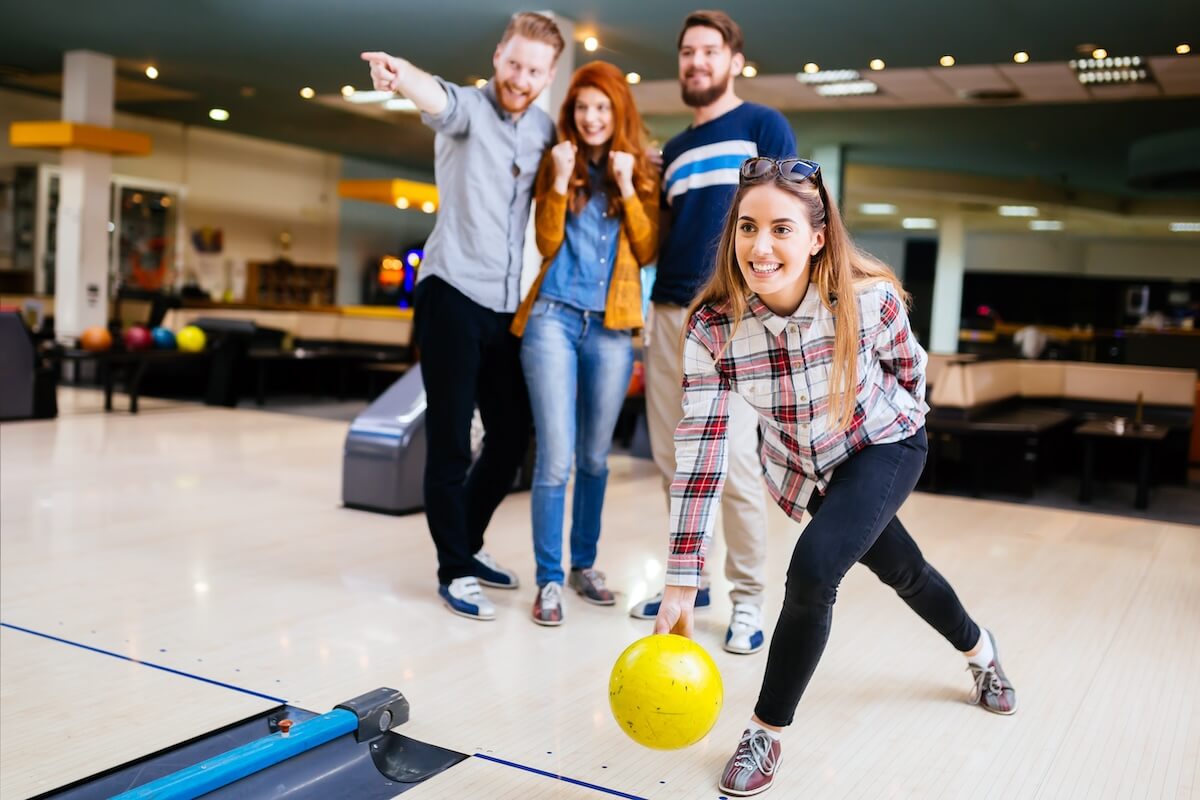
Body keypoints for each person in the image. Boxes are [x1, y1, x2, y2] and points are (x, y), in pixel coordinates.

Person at [652, 157, 1017, 796]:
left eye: (782, 229)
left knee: (814, 569)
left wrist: (892, 435)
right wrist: (682, 580)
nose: (760, 247)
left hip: (885, 443)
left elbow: (910, 372)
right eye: (747, 227)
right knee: (905, 570)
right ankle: (982, 650)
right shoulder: (714, 327)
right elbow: (702, 451)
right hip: (807, 471)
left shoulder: (867, 299)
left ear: (817, 237)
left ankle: (765, 731)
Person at [360, 12, 564, 621]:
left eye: (534, 70)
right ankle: (454, 569)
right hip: (450, 292)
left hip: (504, 307)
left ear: (549, 75)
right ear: (498, 57)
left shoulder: (545, 130)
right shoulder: (469, 110)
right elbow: (436, 97)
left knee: (512, 435)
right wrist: (400, 75)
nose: (520, 78)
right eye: (513, 63)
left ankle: (466, 544)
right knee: (450, 439)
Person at [632, 10, 797, 656]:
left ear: (734, 61)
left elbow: (787, 215)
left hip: (736, 316)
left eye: (709, 51)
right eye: (687, 52)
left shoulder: (762, 126)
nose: (696, 62)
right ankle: (690, 581)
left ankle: (748, 598)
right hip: (670, 313)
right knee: (673, 462)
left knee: (733, 463)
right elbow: (662, 238)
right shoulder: (674, 151)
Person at [510, 61, 659, 626]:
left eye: (601, 107)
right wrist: (556, 180)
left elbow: (647, 249)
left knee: (595, 458)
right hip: (552, 317)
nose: (591, 117)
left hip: (612, 327)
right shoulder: (560, 165)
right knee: (555, 457)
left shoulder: (639, 171)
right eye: (581, 107)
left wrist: (627, 186)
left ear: (618, 111)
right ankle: (549, 578)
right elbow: (546, 241)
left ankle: (583, 565)